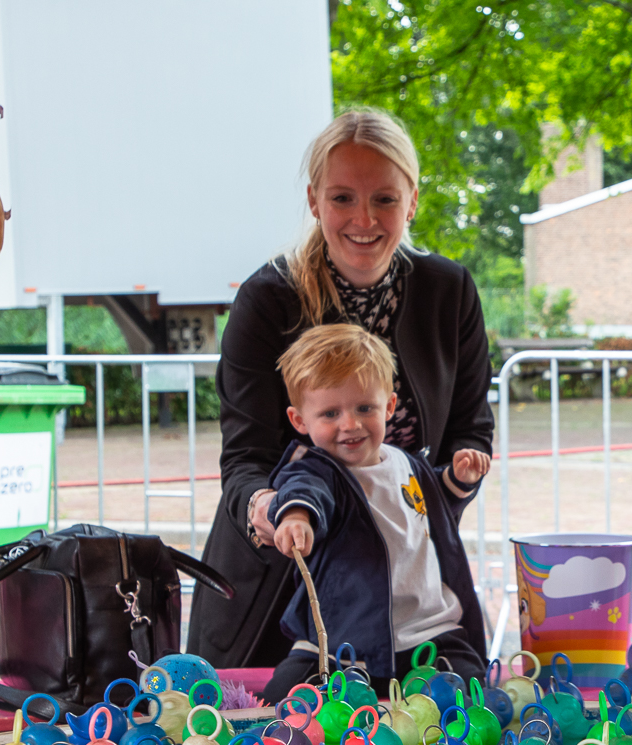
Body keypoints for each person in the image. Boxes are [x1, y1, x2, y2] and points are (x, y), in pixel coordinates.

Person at [188, 109, 496, 671]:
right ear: (313, 201)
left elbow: (468, 427)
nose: (363, 219)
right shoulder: (267, 299)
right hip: (276, 590)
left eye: (383, 198)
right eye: (342, 199)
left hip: (401, 602)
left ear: (412, 202)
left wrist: (453, 480)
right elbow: (246, 458)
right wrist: (267, 507)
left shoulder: (447, 291)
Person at [260, 324, 491, 701]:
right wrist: (296, 517)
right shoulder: (316, 468)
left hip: (428, 633)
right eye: (330, 413)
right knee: (281, 701)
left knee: (470, 690)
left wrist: (457, 480)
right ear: (300, 420)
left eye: (364, 408)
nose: (349, 424)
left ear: (389, 406)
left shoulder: (406, 463)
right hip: (340, 640)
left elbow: (427, 516)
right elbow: (305, 492)